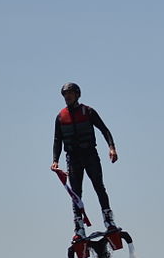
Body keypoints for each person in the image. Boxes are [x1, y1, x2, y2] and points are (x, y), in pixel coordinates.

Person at [51, 82, 119, 232]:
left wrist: (112, 148)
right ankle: (79, 226)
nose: (67, 96)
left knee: (99, 187)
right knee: (76, 193)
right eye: (65, 94)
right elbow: (57, 140)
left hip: (89, 155)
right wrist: (55, 160)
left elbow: (104, 130)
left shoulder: (88, 112)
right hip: (73, 158)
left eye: (70, 93)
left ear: (77, 95)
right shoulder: (61, 117)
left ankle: (109, 220)